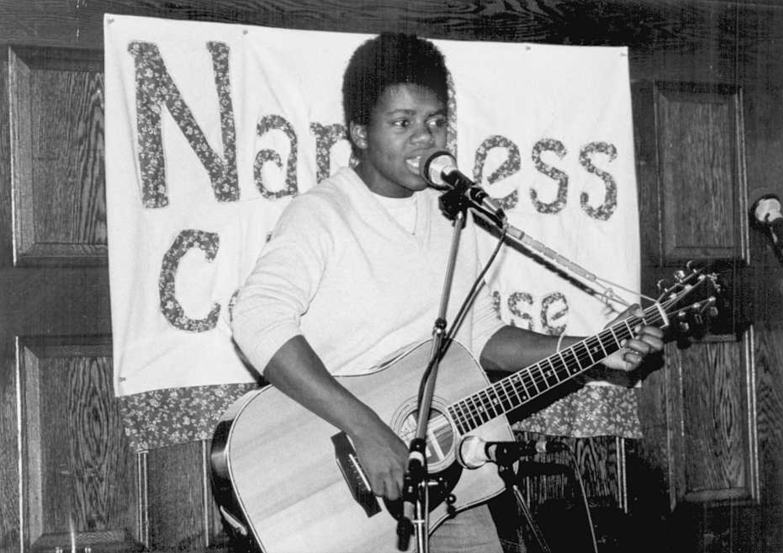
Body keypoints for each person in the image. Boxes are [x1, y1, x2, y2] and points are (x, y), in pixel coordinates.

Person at [232, 32, 664, 553]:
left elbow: (478, 333)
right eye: (402, 122)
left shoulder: (449, 216)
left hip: (449, 482)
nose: (424, 137)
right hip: (343, 483)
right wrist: (366, 430)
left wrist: (593, 350)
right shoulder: (322, 214)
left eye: (435, 121)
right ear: (359, 133)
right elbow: (256, 318)